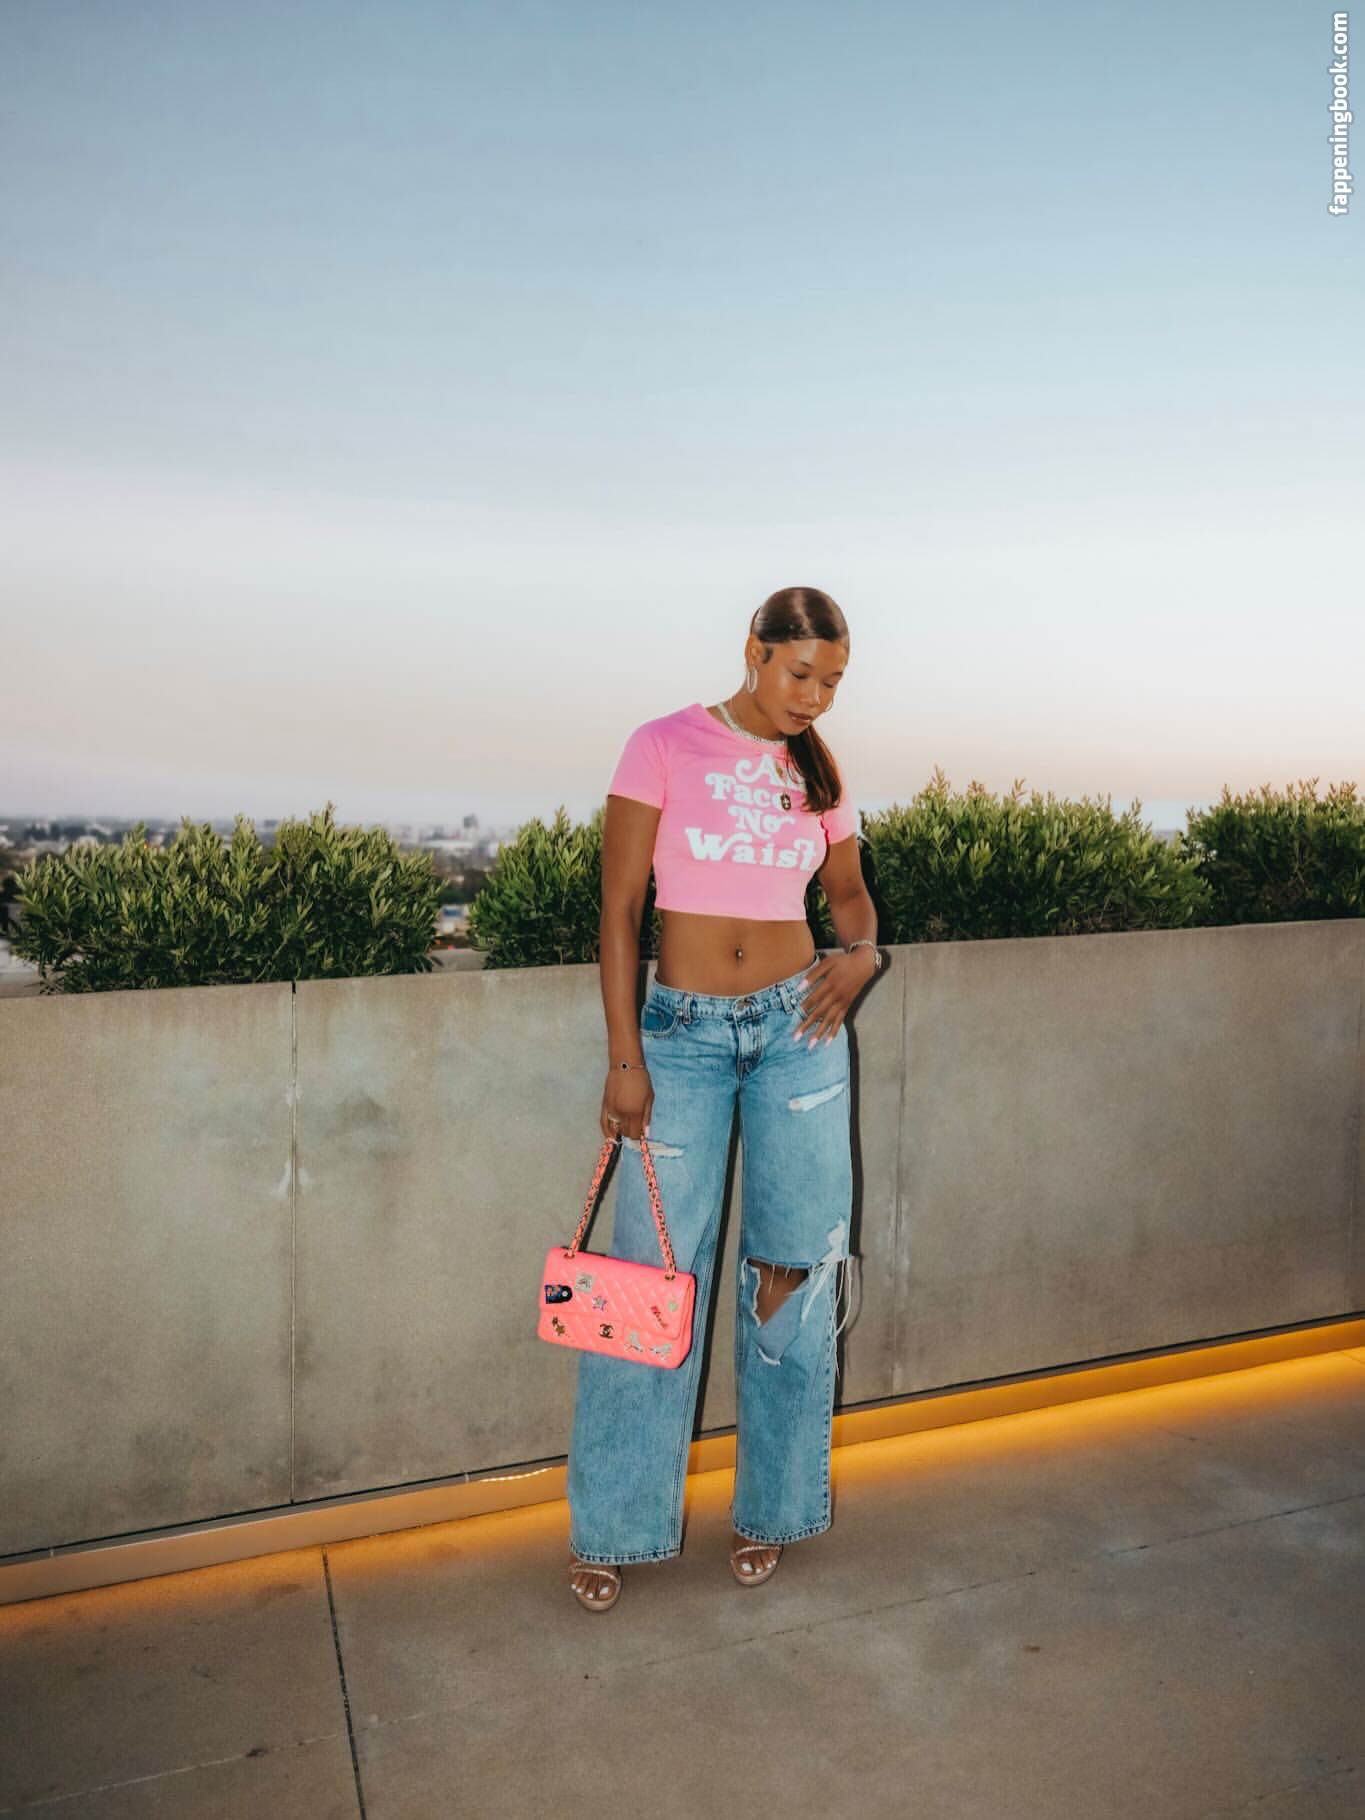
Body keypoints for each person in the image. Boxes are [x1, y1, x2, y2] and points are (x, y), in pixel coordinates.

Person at [566, 585, 882, 1612]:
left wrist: (862, 954)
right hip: (682, 1042)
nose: (814, 697)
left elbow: (848, 897)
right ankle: (615, 1523)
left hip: (800, 1036)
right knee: (645, 1278)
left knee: (792, 1270)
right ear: (755, 650)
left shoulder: (820, 769)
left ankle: (773, 1510)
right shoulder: (662, 744)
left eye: (832, 682)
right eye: (801, 673)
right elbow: (620, 910)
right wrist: (625, 1056)